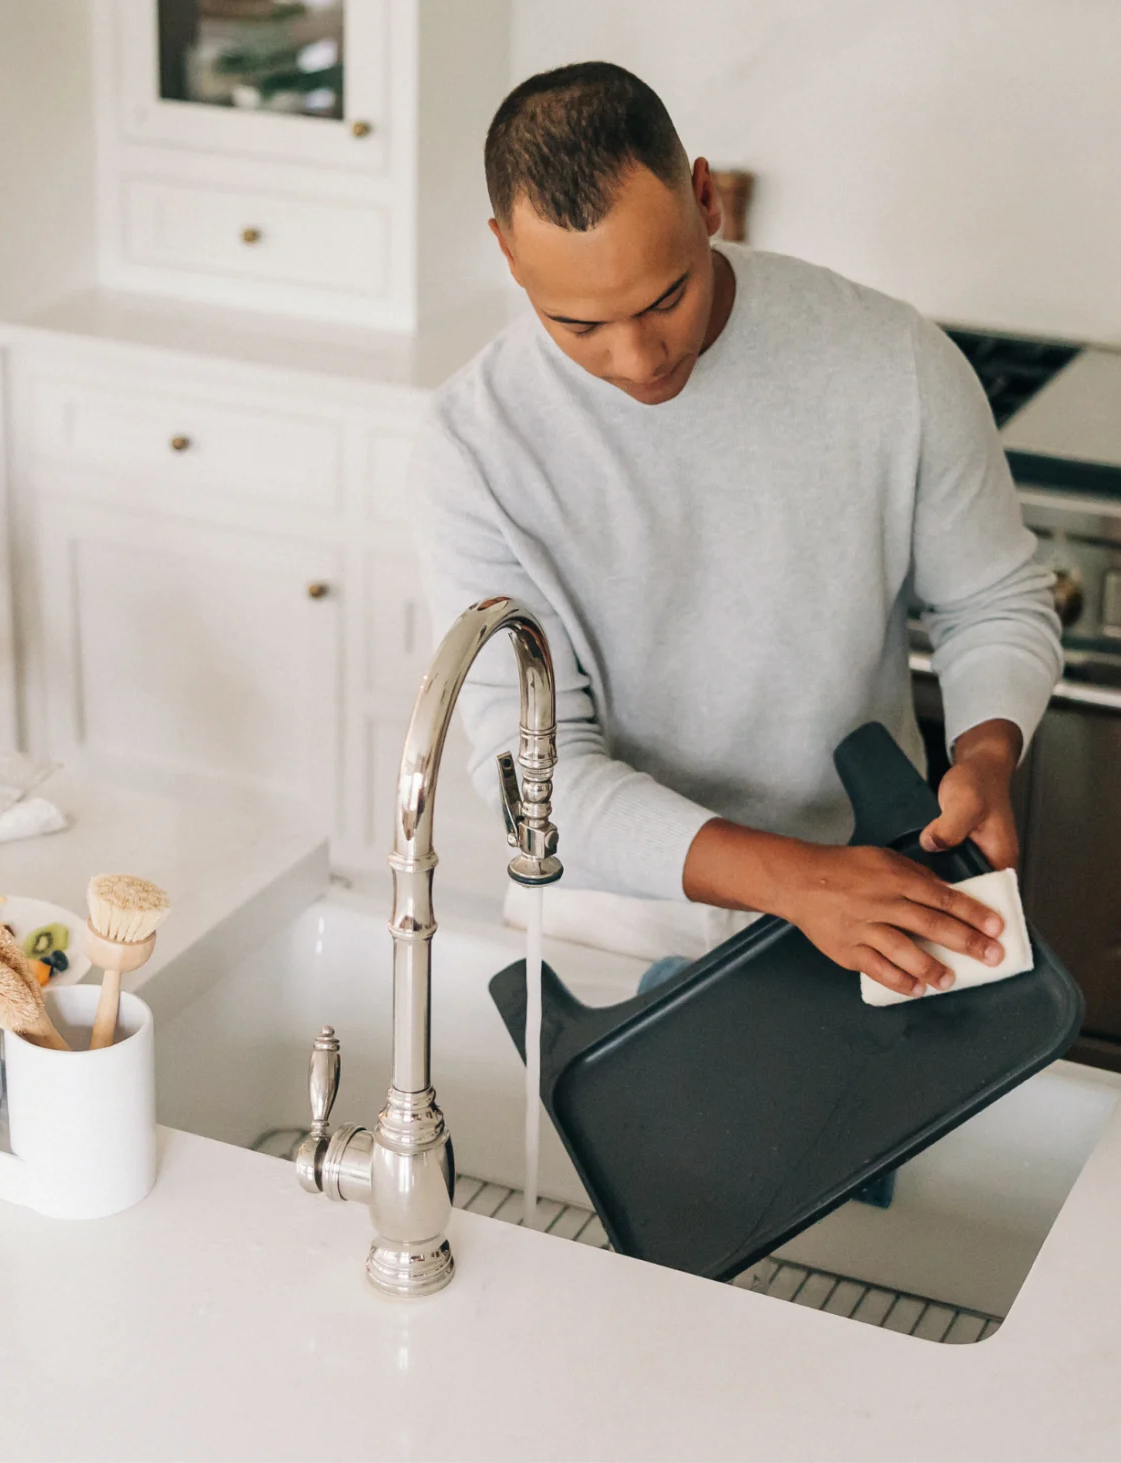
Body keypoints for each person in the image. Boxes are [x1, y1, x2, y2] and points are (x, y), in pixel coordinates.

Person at [417, 62, 1060, 1000]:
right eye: (578, 323)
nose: (637, 360)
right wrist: (792, 880)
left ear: (706, 197)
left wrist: (987, 751)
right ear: (507, 255)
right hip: (612, 918)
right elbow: (533, 769)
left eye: (664, 298)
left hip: (872, 895)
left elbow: (993, 602)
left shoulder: (891, 362)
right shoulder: (473, 442)